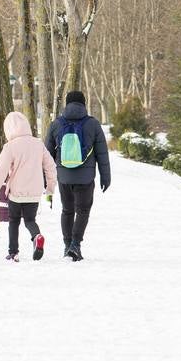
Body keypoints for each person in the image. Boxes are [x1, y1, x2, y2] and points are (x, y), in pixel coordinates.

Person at [45, 91, 111, 262]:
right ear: (84, 103)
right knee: (82, 210)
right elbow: (102, 153)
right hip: (85, 177)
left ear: (67, 104)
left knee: (67, 210)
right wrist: (106, 176)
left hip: (64, 177)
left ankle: (67, 245)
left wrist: (46, 179)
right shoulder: (93, 124)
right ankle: (75, 244)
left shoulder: (56, 124)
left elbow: (47, 155)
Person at [0, 111, 57, 262]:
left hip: (16, 193)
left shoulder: (10, 147)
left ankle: (13, 252)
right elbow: (51, 166)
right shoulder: (38, 144)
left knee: (14, 221)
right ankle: (37, 236)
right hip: (34, 192)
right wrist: (50, 188)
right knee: (30, 220)